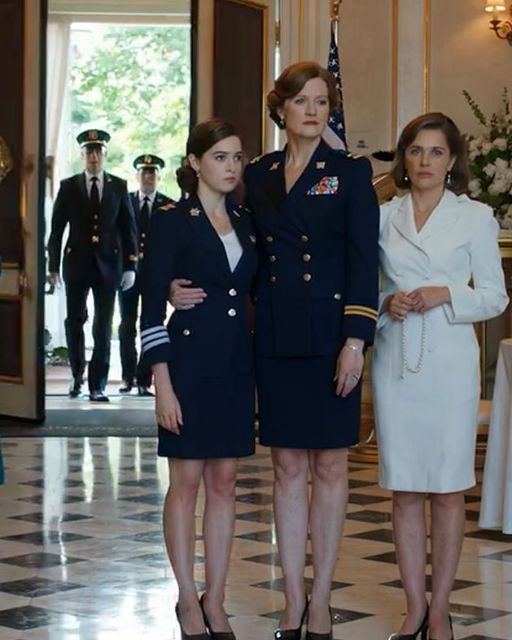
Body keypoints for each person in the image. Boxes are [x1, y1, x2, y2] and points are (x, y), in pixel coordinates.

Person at [170, 62, 380, 640]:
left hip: (333, 339)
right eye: (301, 101)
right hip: (276, 337)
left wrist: (356, 340)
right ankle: (292, 601)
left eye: (321, 101)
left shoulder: (349, 171)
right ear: (281, 109)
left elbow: (365, 262)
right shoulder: (257, 173)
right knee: (286, 467)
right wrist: (173, 284)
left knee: (331, 466)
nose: (313, 110)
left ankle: (322, 600)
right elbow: (221, 240)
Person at [373, 112, 508, 640]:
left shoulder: (475, 217)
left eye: (435, 152)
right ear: (403, 158)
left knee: (449, 489)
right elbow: (364, 287)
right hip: (398, 361)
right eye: (415, 150)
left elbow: (495, 296)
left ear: (452, 161)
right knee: (405, 489)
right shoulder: (383, 217)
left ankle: (441, 609)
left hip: (450, 366)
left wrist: (446, 293)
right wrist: (387, 303)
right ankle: (413, 608)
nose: (424, 161)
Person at [140, 119, 257, 640]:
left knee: (225, 483)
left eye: (237, 157)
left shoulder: (246, 220)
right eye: (219, 157)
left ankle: (217, 597)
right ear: (194, 162)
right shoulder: (172, 220)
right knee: (185, 483)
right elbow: (148, 308)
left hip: (235, 364)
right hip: (186, 364)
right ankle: (187, 597)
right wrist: (161, 383)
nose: (231, 167)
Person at [47, 129, 138, 402]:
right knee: (74, 322)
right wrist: (52, 266)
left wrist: (131, 265)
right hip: (76, 264)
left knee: (103, 326)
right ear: (82, 155)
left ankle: (97, 385)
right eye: (89, 151)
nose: (94, 156)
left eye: (98, 151)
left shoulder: (118, 186)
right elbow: (56, 228)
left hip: (109, 265)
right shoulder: (69, 186)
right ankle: (77, 376)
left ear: (105, 154)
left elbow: (128, 229)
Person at [118, 154, 175, 396]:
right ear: (137, 176)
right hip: (129, 272)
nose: (148, 177)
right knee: (126, 325)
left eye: (152, 173)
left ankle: (143, 379)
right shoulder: (126, 200)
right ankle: (127, 377)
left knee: (151, 324)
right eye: (144, 172)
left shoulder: (168, 204)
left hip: (155, 274)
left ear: (159, 177)